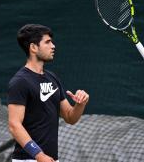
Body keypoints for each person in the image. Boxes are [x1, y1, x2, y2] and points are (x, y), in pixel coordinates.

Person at [7, 24, 89, 162]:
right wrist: (39, 155)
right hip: (29, 159)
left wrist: (80, 104)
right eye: (47, 42)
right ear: (33, 47)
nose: (53, 46)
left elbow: (70, 117)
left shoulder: (52, 78)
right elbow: (14, 125)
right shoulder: (20, 82)